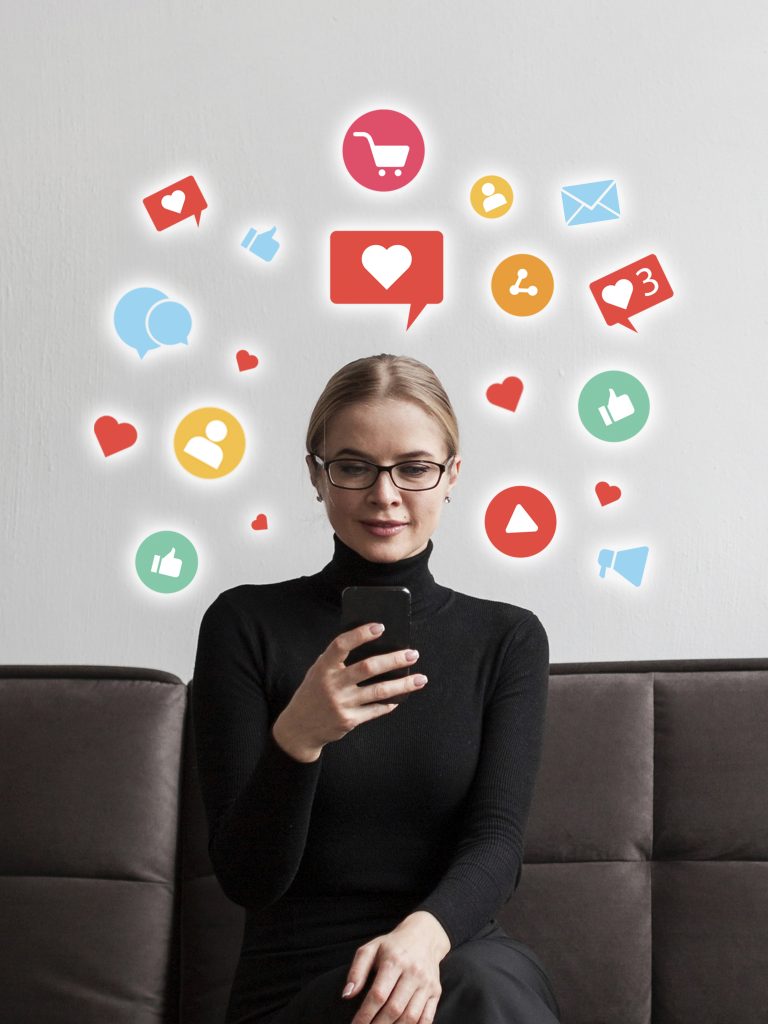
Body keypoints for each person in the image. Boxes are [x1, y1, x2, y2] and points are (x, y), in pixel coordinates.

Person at [192, 354, 562, 1024]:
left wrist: (423, 936)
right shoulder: (243, 625)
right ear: (317, 474)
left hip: (455, 950)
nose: (384, 495)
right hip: (304, 979)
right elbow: (247, 880)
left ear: (451, 476)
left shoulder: (508, 639)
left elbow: (497, 842)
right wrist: (297, 738)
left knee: (479, 985)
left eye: (414, 468)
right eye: (354, 465)